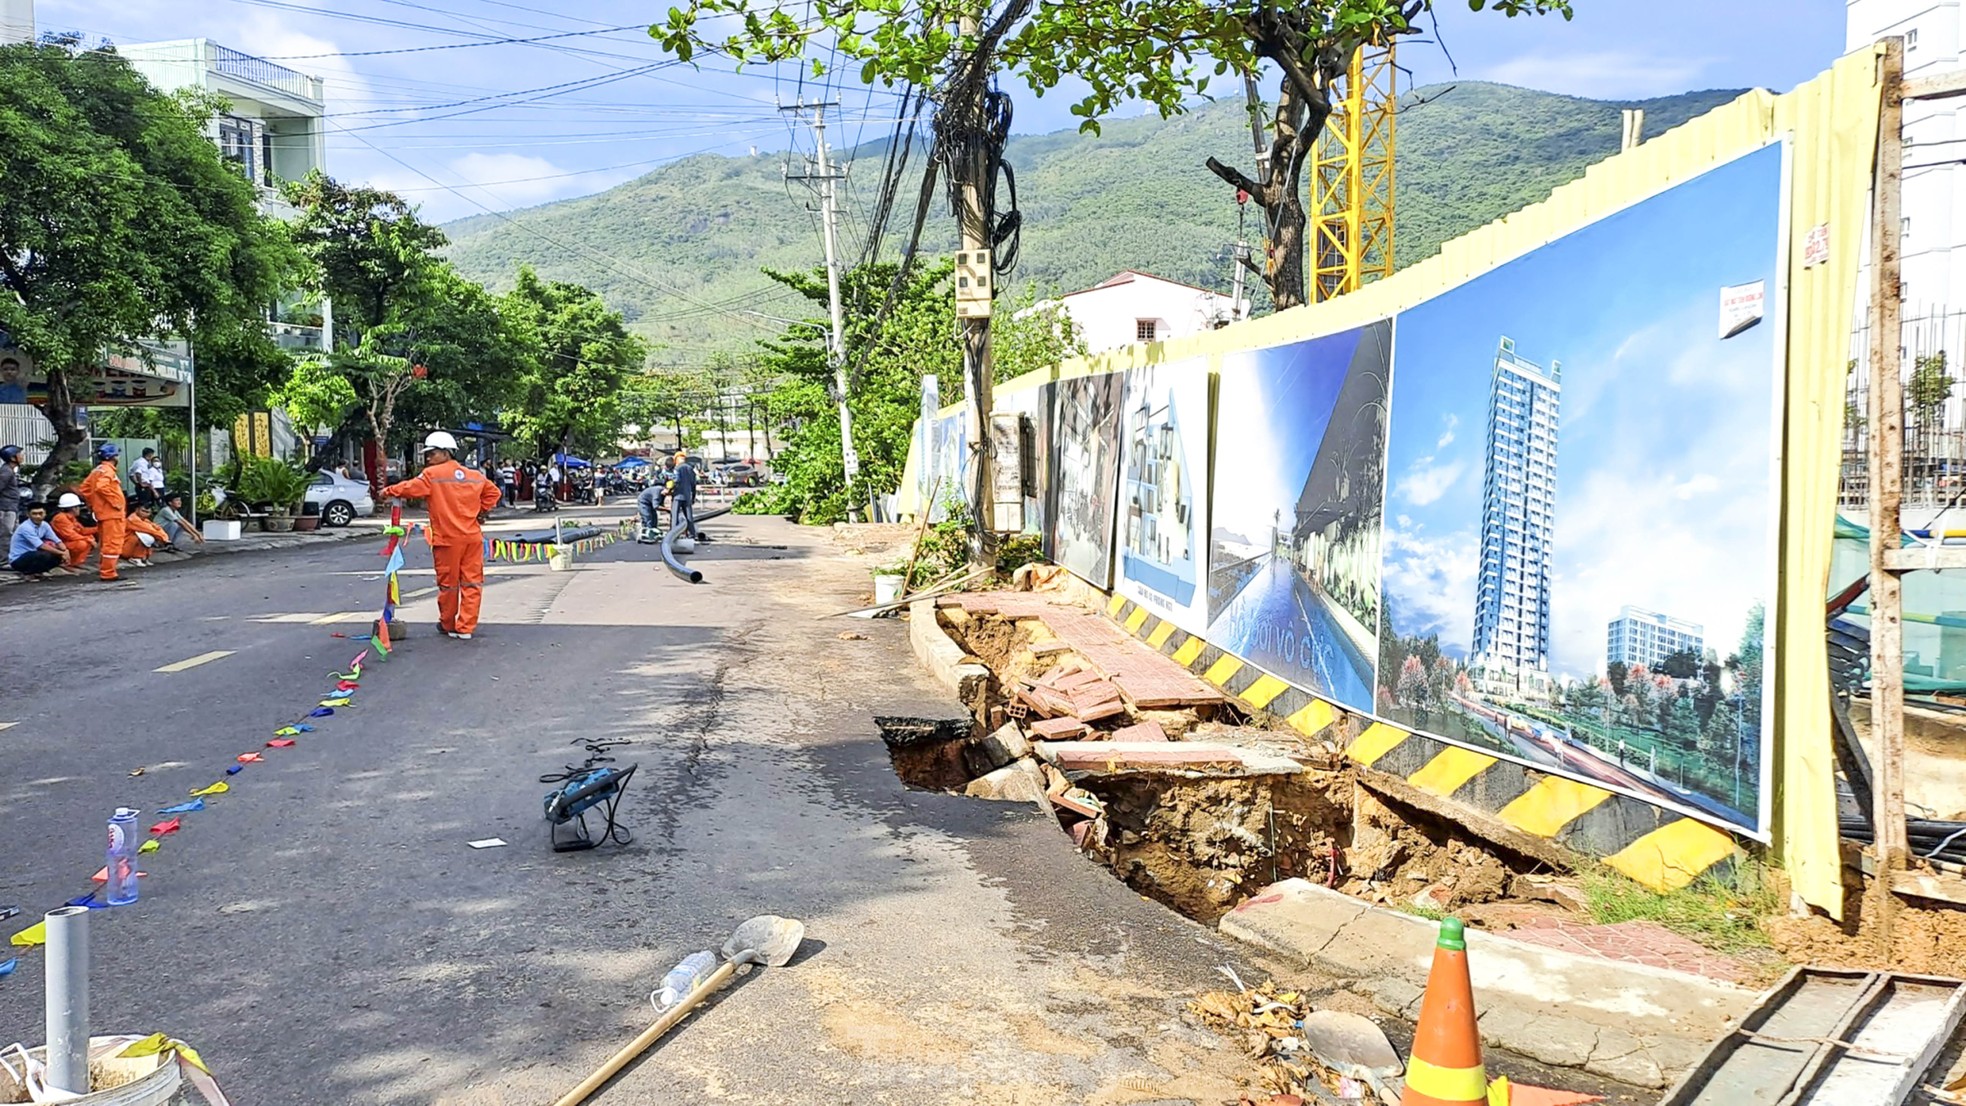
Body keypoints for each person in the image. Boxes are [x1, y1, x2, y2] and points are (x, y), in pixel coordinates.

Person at [384, 431, 502, 640]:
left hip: (447, 539)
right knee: (472, 583)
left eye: (432, 454)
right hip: (472, 537)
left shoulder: (432, 475)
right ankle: (465, 627)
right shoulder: (475, 475)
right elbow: (494, 493)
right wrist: (480, 511)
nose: (428, 458)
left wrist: (388, 491)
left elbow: (410, 488)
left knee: (448, 584)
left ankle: (448, 624)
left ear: (446, 453)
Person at [79, 443, 126, 581]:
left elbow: (85, 489)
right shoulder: (107, 471)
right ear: (113, 457)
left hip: (104, 513)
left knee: (106, 543)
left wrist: (95, 504)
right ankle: (108, 573)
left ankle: (106, 570)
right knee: (113, 543)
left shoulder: (97, 470)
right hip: (112, 514)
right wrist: (115, 502)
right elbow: (101, 487)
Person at [8, 501, 66, 579]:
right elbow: (41, 545)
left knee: (57, 557)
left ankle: (38, 572)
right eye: (34, 514)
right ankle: (28, 573)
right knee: (44, 554)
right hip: (18, 559)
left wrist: (65, 550)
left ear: (45, 513)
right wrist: (61, 553)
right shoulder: (25, 527)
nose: (38, 516)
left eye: (40, 513)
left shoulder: (45, 525)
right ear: (28, 515)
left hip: (32, 555)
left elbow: (56, 540)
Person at [50, 493, 95, 570]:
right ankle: (67, 562)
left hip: (65, 542)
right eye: (78, 507)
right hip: (58, 544)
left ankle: (75, 562)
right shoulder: (60, 518)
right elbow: (70, 535)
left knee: (88, 538)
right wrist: (88, 539)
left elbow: (82, 530)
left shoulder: (71, 518)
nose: (79, 509)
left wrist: (99, 529)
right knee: (82, 543)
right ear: (73, 508)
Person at [121, 502, 175, 567]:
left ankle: (144, 557)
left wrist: (165, 539)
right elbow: (150, 529)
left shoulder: (145, 520)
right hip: (125, 547)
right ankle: (136, 558)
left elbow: (157, 528)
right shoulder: (133, 519)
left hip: (128, 546)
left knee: (149, 536)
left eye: (147, 512)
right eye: (143, 511)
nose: (145, 514)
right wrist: (165, 539)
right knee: (142, 536)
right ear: (137, 510)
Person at [667, 451, 699, 541]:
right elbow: (694, 484)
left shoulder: (677, 468)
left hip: (678, 495)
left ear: (676, 459)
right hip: (687, 495)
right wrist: (693, 497)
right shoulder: (690, 469)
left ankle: (673, 535)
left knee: (675, 516)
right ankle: (692, 534)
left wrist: (669, 490)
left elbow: (676, 480)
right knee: (689, 516)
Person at [0, 444, 21, 547]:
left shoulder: (10, 470)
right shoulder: (6, 471)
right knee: (6, 535)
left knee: (14, 534)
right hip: (6, 508)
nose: (22, 456)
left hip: (12, 507)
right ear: (13, 458)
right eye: (19, 454)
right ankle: (3, 562)